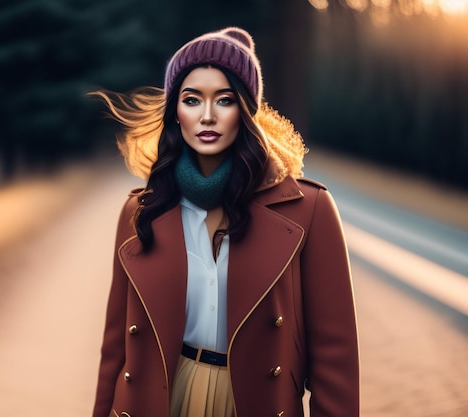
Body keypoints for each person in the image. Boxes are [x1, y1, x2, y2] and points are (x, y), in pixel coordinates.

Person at [90, 27, 359, 417]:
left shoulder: (310, 209)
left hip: (253, 403)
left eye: (225, 100)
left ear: (245, 112)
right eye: (192, 99)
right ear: (175, 112)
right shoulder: (140, 212)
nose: (208, 115)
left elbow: (335, 357)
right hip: (161, 401)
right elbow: (115, 349)